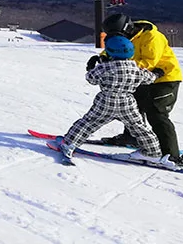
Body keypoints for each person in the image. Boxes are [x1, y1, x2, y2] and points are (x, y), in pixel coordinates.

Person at [99, 13, 183, 167]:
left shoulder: (152, 37)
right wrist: (102, 57)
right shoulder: (126, 35)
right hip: (144, 78)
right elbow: (116, 48)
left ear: (127, 29)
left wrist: (116, 66)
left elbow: (149, 62)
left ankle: (171, 155)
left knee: (157, 114)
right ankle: (132, 137)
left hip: (164, 78)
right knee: (133, 108)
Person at [58, 35, 167, 164]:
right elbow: (148, 78)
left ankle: (69, 143)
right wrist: (157, 74)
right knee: (138, 127)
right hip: (127, 103)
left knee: (89, 122)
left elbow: (91, 79)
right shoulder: (135, 69)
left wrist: (90, 68)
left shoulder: (105, 67)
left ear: (110, 52)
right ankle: (152, 152)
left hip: (106, 101)